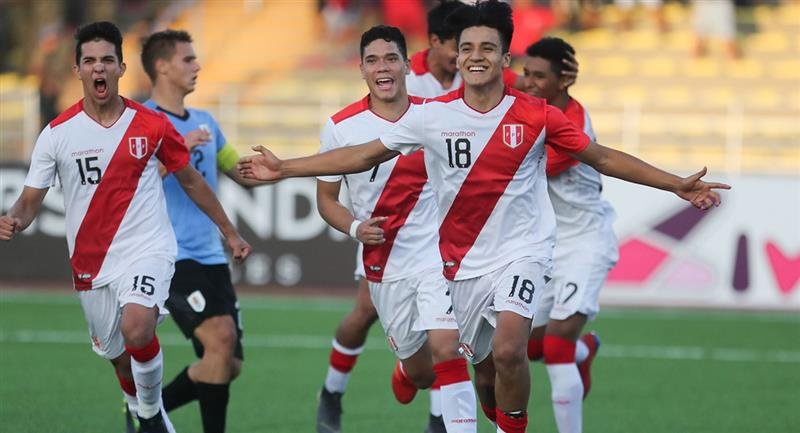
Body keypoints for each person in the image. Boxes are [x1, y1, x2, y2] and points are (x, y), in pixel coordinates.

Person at [238, 1, 729, 432]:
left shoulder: (535, 114)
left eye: (487, 48)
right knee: (463, 371)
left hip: (523, 252)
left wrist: (676, 183)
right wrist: (284, 168)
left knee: (512, 349)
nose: (475, 55)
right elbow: (361, 156)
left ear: (504, 59)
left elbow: (600, 158)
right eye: (467, 47)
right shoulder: (432, 116)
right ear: (457, 55)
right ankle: (417, 373)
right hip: (459, 263)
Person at [0, 21, 250, 433]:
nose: (99, 68)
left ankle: (150, 414)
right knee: (119, 356)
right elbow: (29, 201)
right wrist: (14, 219)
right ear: (78, 70)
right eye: (90, 61)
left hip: (148, 248)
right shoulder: (56, 135)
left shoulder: (150, 125)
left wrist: (229, 231)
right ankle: (142, 408)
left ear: (120, 68)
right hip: (91, 265)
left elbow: (190, 179)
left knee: (137, 327)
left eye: (107, 60)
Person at [316, 25, 477, 433]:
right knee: (422, 372)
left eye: (391, 58)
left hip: (438, 258)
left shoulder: (437, 116)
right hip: (384, 263)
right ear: (361, 69)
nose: (382, 67)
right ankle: (405, 372)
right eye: (372, 60)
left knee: (448, 347)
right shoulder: (340, 127)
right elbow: (326, 201)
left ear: (407, 64)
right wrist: (355, 228)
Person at [138, 29, 267, 433]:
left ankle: (145, 411)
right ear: (162, 66)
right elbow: (130, 189)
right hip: (171, 257)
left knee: (228, 364)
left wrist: (277, 170)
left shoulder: (206, 122)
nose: (197, 66)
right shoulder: (141, 122)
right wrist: (174, 151)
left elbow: (235, 170)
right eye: (188, 59)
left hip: (212, 256)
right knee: (220, 339)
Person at [521, 36, 615, 433]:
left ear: (563, 81)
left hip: (586, 242)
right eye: (525, 73)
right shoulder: (532, 105)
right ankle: (585, 350)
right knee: (527, 348)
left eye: (539, 76)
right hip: (548, 246)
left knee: (555, 346)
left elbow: (539, 167)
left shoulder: (574, 125)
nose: (527, 83)